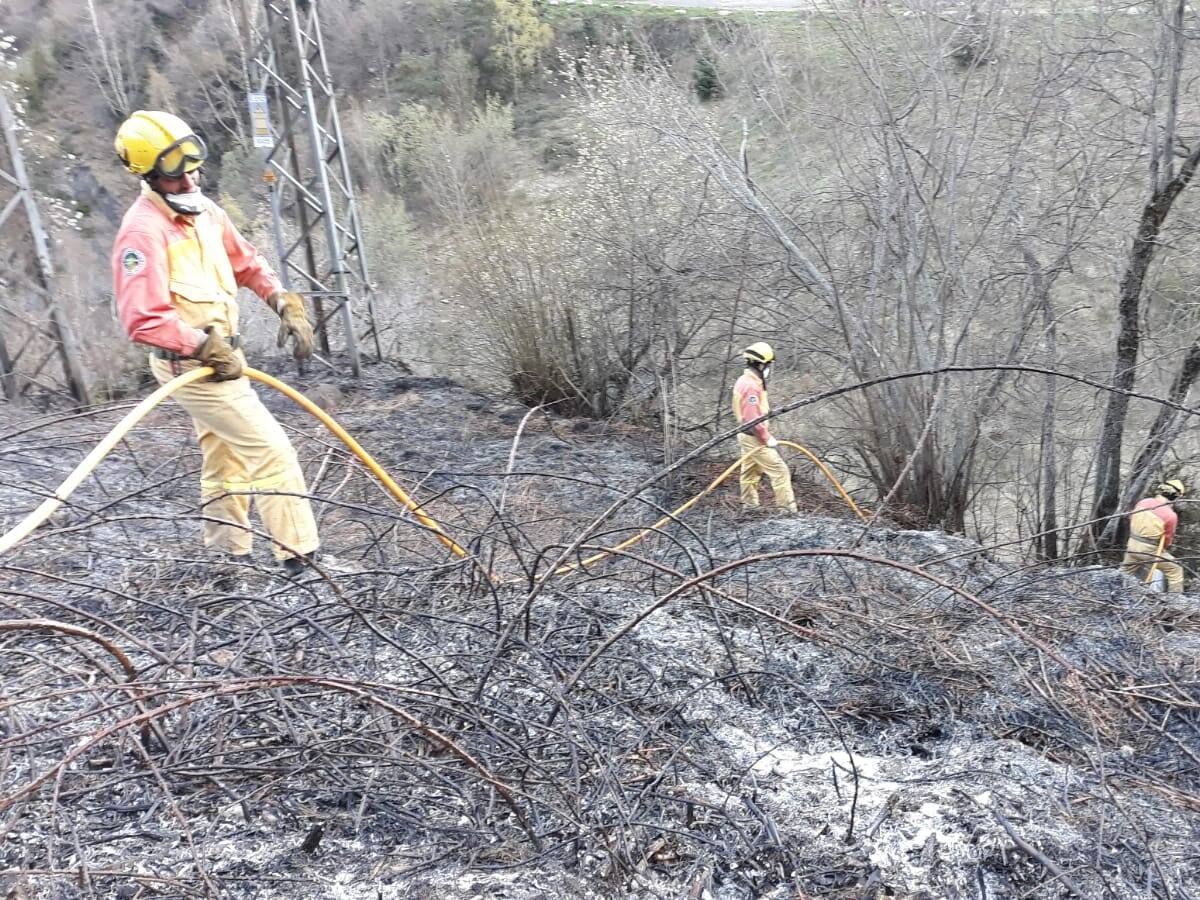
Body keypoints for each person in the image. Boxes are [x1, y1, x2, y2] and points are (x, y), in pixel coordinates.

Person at [111, 110, 320, 577]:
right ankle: (302, 560)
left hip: (226, 354)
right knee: (272, 450)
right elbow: (142, 319)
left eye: (192, 164)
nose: (189, 177)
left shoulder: (206, 212)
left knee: (224, 457)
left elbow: (247, 263)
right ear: (149, 173)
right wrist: (202, 347)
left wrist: (282, 300)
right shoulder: (143, 232)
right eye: (175, 170)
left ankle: (227, 557)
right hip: (191, 364)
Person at [731, 342, 797, 513]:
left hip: (746, 435)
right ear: (760, 364)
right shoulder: (751, 386)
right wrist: (766, 438)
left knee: (749, 473)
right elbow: (752, 418)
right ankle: (788, 513)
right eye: (768, 365)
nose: (769, 369)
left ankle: (750, 507)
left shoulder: (746, 380)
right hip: (754, 437)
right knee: (780, 471)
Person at [1120, 479, 1187, 593]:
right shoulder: (1170, 515)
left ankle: (1113, 592)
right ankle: (1176, 602)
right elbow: (1167, 540)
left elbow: (1131, 518)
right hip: (1149, 550)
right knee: (1175, 570)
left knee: (1123, 573)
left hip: (1132, 545)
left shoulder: (1143, 502)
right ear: (1175, 497)